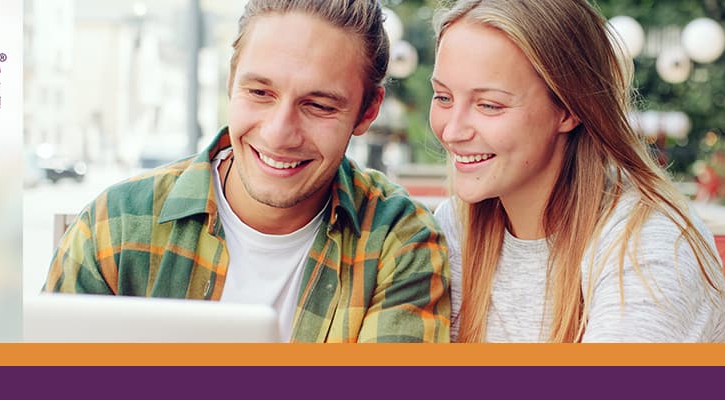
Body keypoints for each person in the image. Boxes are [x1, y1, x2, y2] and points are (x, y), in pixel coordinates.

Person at [44, 0, 450, 343]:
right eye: (259, 92)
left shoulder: (398, 242)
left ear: (368, 111)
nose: (279, 134)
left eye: (319, 106)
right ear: (231, 81)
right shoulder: (116, 224)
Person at [429, 0, 725, 342]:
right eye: (443, 97)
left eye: (489, 105)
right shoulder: (455, 226)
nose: (452, 131)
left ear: (568, 110)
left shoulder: (652, 243)